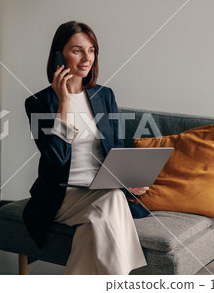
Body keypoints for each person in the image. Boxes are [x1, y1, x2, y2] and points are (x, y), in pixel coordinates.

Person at [23, 21, 148, 275]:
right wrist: (65, 103)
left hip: (101, 190)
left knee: (96, 223)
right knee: (113, 200)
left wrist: (128, 180)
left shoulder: (105, 95)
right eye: (77, 50)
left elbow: (117, 149)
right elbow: (57, 157)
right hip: (62, 196)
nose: (86, 58)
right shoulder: (39, 103)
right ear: (59, 54)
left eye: (91, 50)